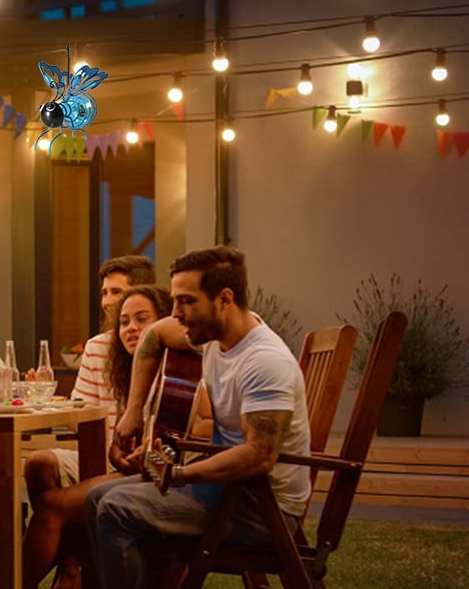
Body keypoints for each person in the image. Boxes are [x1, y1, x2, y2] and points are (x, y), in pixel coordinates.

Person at [88, 246, 311, 588]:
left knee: (116, 508)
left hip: (260, 509)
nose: (176, 314)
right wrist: (133, 412)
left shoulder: (264, 362)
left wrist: (179, 474)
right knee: (96, 498)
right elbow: (153, 335)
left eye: (186, 302)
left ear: (224, 299)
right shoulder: (215, 337)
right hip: (226, 491)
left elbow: (259, 456)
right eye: (175, 301)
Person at [21, 285, 195, 588]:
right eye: (124, 322)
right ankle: (70, 571)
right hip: (138, 471)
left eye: (142, 319)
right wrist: (119, 452)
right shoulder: (128, 368)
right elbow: (122, 441)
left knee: (52, 507)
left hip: (169, 479)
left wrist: (145, 458)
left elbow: (175, 446)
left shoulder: (179, 371)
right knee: (43, 475)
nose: (131, 329)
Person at [71, 255, 157, 415]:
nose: (107, 302)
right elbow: (79, 416)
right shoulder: (96, 347)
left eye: (116, 292)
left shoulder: (169, 345)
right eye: (104, 293)